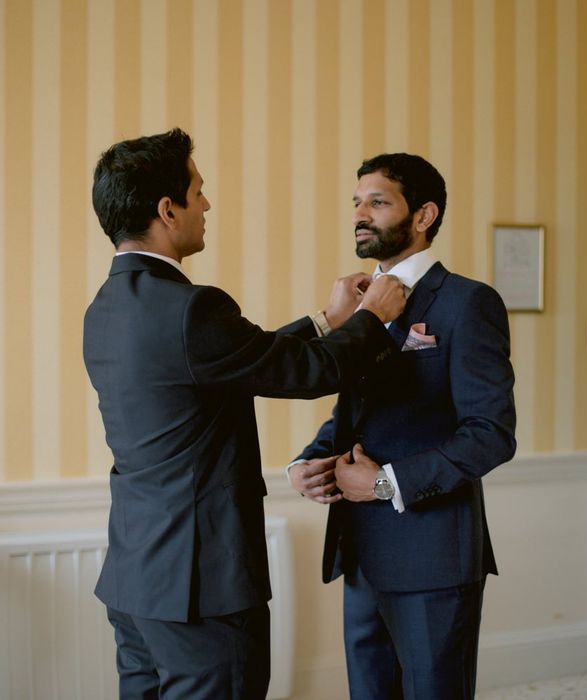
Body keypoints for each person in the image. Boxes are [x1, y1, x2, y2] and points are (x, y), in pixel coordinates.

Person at [82, 128, 406, 700]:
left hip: (137, 580)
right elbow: (304, 375)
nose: (206, 205)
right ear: (167, 209)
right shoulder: (191, 307)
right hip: (201, 587)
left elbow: (232, 365)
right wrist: (372, 319)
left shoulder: (105, 308)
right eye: (198, 192)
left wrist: (326, 320)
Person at [288, 152, 517, 699]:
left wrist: (387, 482)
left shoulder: (468, 303)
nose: (359, 214)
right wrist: (308, 462)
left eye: (377, 201)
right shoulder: (359, 306)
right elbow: (357, 409)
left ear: (423, 215)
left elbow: (492, 431)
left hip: (433, 556)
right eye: (356, 203)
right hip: (360, 552)